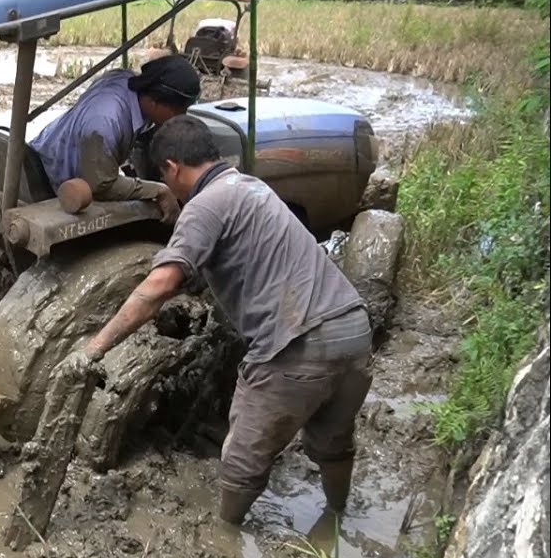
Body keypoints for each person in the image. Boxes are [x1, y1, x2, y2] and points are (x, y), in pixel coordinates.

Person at [61, 115, 373, 525]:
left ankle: (227, 540)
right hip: (353, 331)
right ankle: (336, 519)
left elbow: (159, 286)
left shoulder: (205, 206)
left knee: (242, 461)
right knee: (333, 442)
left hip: (297, 346)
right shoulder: (251, 187)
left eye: (163, 176)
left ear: (172, 168)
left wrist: (93, 348)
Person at [28, 54, 202, 220]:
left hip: (70, 152)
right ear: (154, 101)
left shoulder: (126, 79)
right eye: (178, 110)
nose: (181, 116)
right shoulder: (105, 121)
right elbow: (100, 186)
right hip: (47, 174)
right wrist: (160, 190)